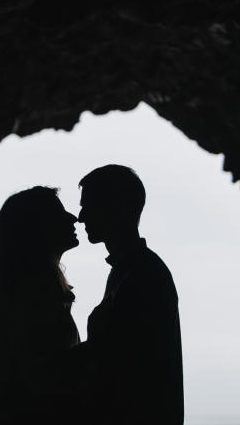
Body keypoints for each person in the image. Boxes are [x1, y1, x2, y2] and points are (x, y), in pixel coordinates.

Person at [0, 186, 90, 425]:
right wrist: (99, 349)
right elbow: (41, 380)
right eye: (58, 214)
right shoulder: (31, 289)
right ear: (35, 229)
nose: (73, 218)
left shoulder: (29, 288)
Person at [78, 165, 184, 425]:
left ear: (118, 208)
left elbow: (127, 375)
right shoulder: (131, 271)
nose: (80, 217)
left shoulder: (141, 276)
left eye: (89, 205)